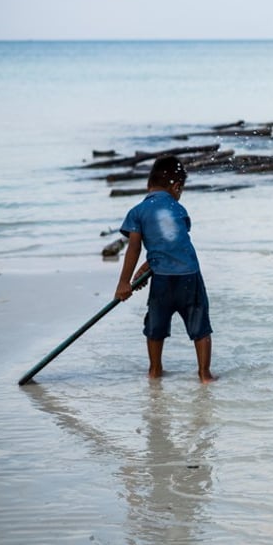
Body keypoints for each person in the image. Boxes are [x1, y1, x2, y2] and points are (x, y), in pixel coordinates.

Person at [115, 155, 217, 383]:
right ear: (176, 186)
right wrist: (146, 267)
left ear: (148, 185)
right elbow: (174, 243)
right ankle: (204, 374)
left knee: (155, 326)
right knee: (200, 327)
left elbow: (134, 247)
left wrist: (125, 282)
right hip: (190, 276)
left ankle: (155, 371)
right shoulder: (179, 209)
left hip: (162, 281)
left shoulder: (138, 211)